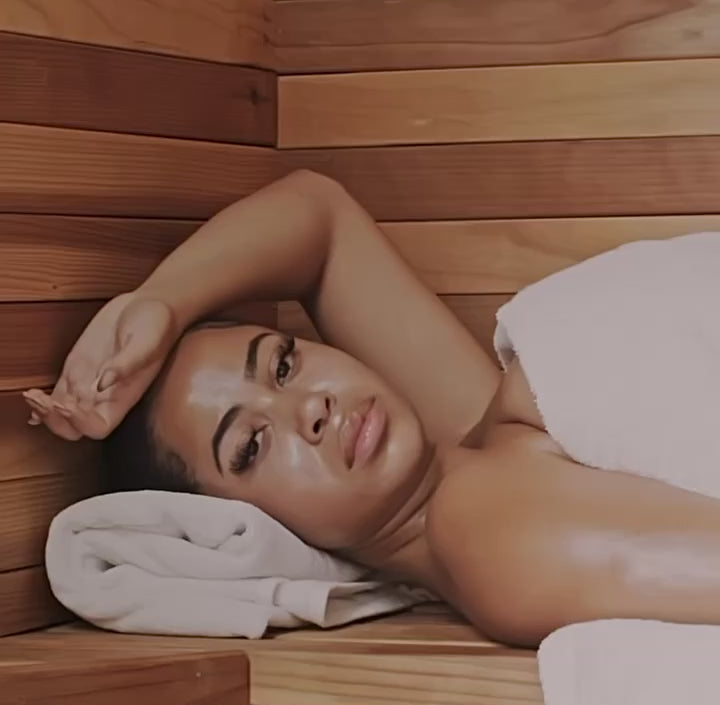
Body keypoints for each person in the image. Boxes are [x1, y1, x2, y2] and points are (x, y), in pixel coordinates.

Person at [23, 170, 720, 647]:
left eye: (284, 364)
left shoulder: (467, 443)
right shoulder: (487, 532)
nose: (312, 408)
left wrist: (160, 304)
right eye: (252, 447)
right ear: (253, 529)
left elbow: (318, 218)